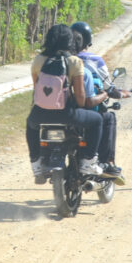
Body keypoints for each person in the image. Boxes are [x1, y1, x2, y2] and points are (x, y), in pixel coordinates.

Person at [27, 24, 106, 183]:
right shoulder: (74, 62)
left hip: (40, 113)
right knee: (97, 120)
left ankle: (36, 163)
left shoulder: (38, 60)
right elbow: (81, 100)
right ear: (69, 41)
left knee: (31, 124)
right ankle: (88, 161)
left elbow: (37, 92)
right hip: (67, 114)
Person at [71, 22, 130, 178]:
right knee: (109, 117)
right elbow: (109, 88)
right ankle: (107, 162)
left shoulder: (64, 59)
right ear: (88, 41)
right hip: (88, 109)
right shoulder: (94, 60)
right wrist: (122, 94)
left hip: (66, 110)